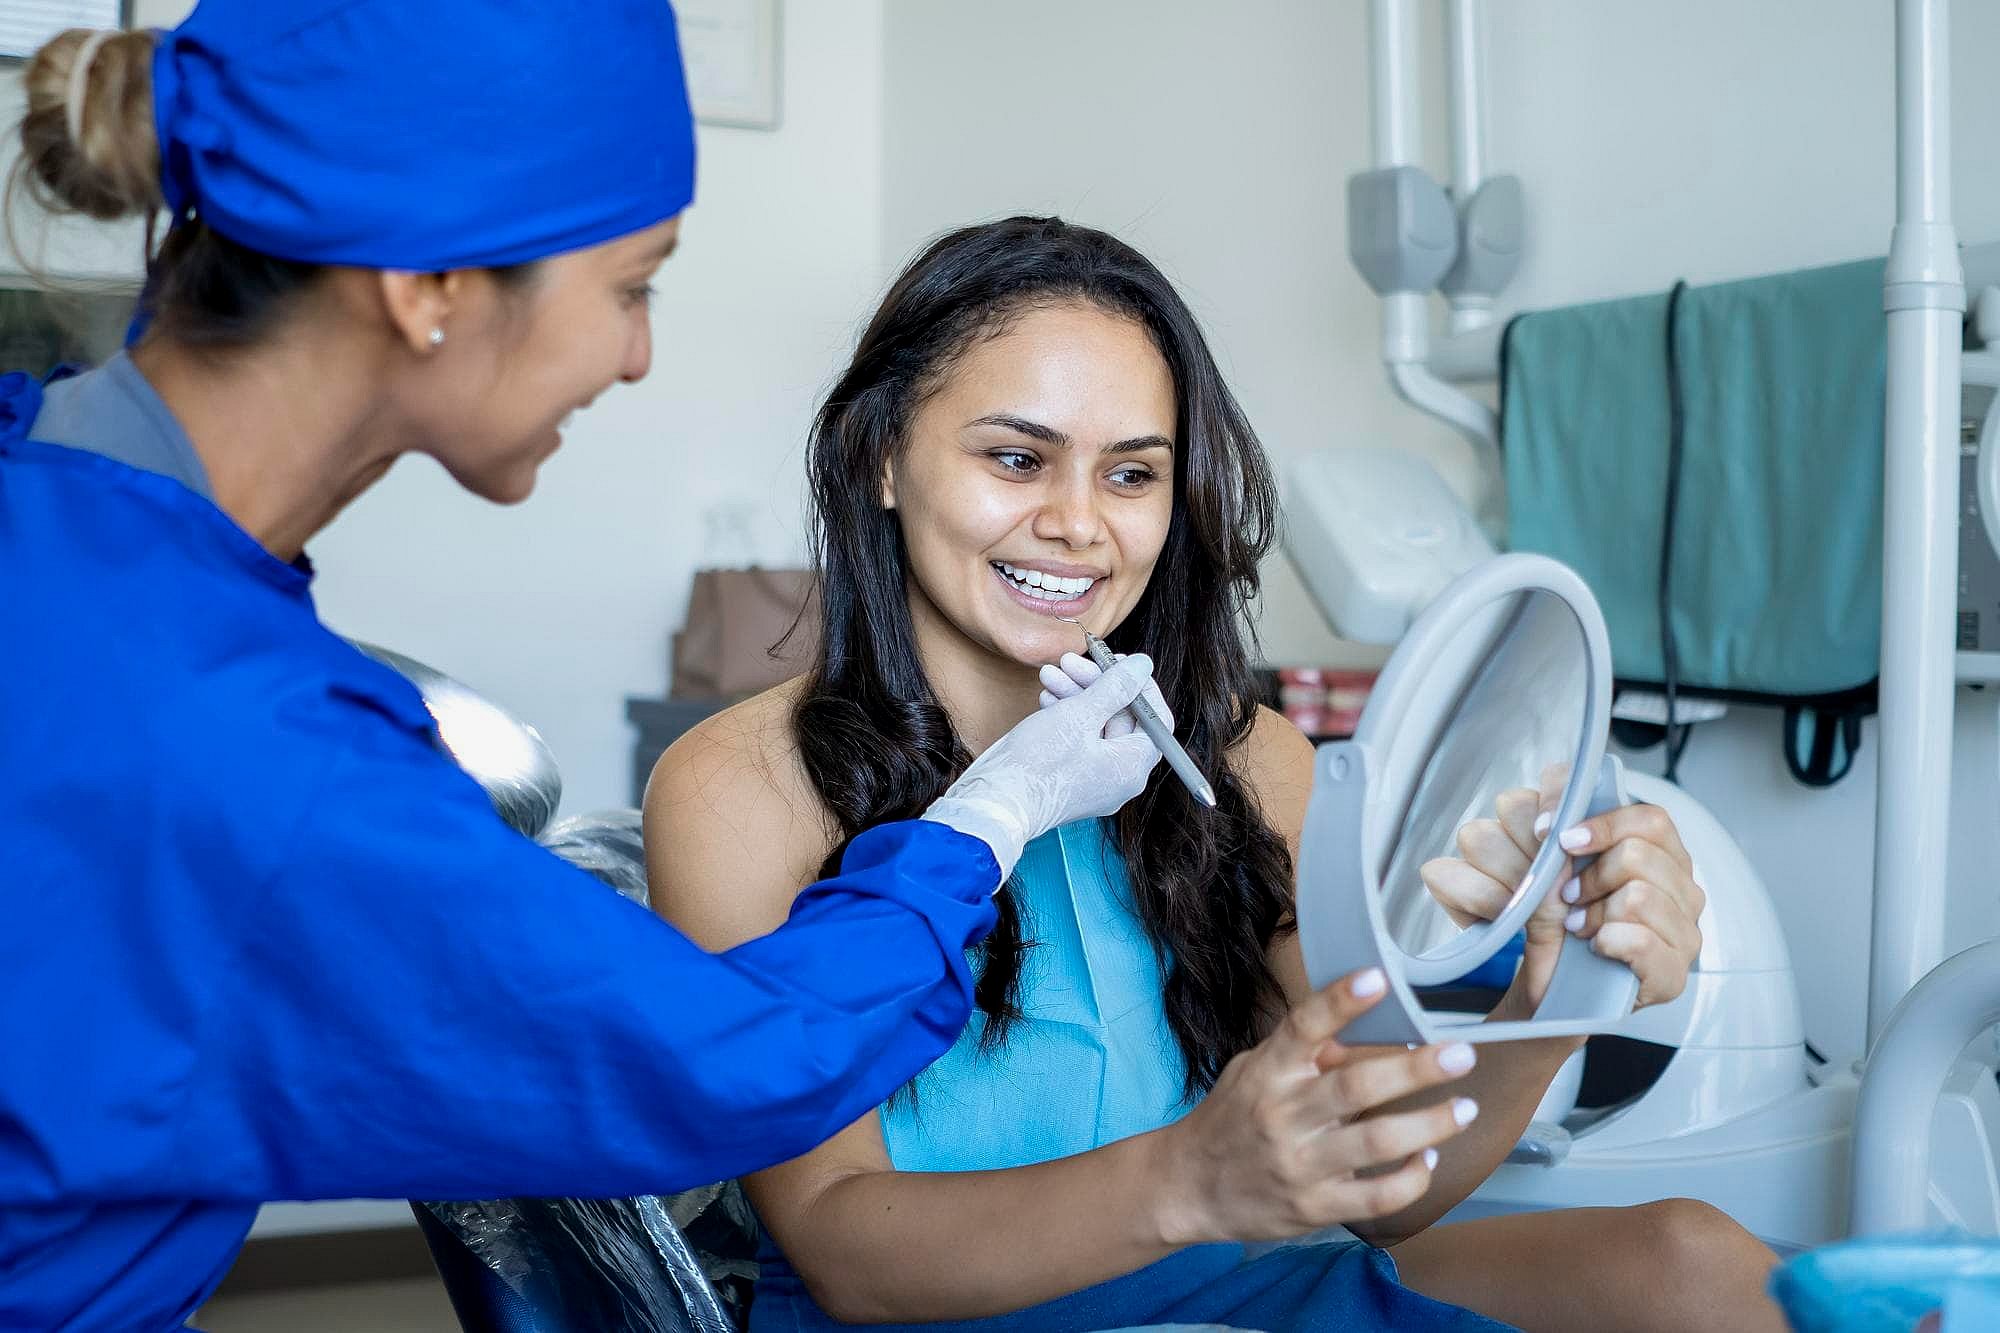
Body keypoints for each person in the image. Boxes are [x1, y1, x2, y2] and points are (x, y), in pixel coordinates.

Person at [0, 9, 1168, 1331]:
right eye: (630, 285)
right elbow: (717, 1061)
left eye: (1134, 470)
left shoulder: (64, 531)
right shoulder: (245, 739)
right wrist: (987, 818)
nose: (637, 353)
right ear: (428, 284)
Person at [647, 216, 1786, 1332]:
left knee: (1694, 1263)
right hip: (923, 1320)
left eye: (1131, 475)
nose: (1077, 525)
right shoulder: (740, 788)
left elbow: (1388, 1188)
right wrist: (1190, 1175)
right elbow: (845, 1253)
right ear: (883, 458)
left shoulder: (1247, 758)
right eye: (1014, 457)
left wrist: (1554, 999)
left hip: (1241, 1284)